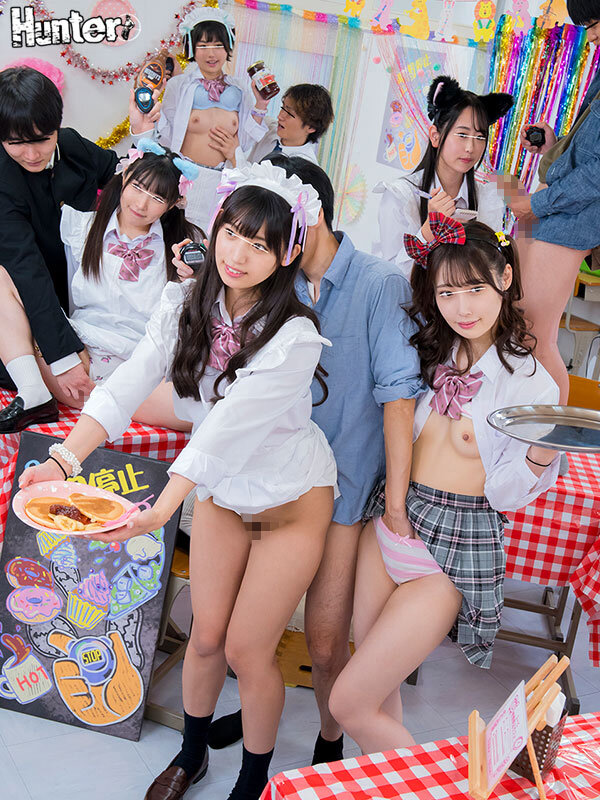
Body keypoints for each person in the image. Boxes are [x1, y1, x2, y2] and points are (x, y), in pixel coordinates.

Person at [20, 161, 337, 800]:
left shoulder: (296, 337)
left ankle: (253, 778)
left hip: (291, 499)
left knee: (248, 649)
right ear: (214, 227)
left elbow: (224, 430)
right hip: (222, 492)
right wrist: (62, 460)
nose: (238, 254)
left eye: (260, 244)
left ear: (286, 254)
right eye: (232, 233)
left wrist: (161, 508)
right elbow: (127, 384)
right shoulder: (183, 302)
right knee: (205, 636)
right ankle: (191, 757)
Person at [206, 156, 423, 766]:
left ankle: (329, 743)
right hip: (268, 481)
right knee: (247, 631)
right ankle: (255, 715)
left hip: (341, 492)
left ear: (312, 215)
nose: (259, 243)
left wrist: (396, 505)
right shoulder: (272, 280)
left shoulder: (380, 283)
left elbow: (399, 397)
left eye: (273, 228)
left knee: (326, 643)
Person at [328, 218, 560, 754]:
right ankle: (387, 784)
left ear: (505, 278)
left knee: (348, 703)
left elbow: (504, 498)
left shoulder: (531, 385)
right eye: (447, 292)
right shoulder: (427, 349)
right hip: (392, 520)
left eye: (475, 288)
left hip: (453, 547)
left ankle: (430, 787)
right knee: (378, 689)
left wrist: (541, 453)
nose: (462, 307)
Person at [0, 138, 202, 433]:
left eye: (157, 198)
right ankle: (35, 392)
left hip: (140, 370)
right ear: (124, 178)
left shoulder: (184, 244)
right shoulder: (80, 226)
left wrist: (192, 280)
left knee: (205, 413)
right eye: (137, 187)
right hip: (78, 364)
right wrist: (61, 355)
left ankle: (107, 403)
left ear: (173, 203)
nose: (141, 204)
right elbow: (31, 275)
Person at [0, 66, 117, 431]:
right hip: (28, 300)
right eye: (16, 143)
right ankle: (33, 392)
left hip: (90, 287)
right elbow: (25, 266)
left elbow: (122, 174)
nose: (31, 154)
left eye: (42, 139)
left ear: (57, 127)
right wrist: (62, 357)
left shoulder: (72, 145)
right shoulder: (2, 177)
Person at [506, 0, 600, 402]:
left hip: (569, 218)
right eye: (588, 26)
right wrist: (553, 145)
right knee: (518, 327)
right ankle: (527, 432)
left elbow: (597, 175)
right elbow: (589, 155)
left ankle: (549, 438)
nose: (591, 35)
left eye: (595, 24)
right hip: (552, 211)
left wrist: (536, 205)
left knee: (535, 337)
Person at [129, 5, 271, 232]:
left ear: (228, 47)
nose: (211, 54)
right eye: (203, 46)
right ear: (192, 48)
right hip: (184, 177)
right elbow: (166, 133)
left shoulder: (241, 88)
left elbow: (246, 141)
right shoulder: (178, 85)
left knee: (208, 238)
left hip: (220, 182)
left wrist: (261, 105)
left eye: (218, 45)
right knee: (172, 234)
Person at [374, 75, 513, 278]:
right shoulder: (401, 196)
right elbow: (391, 278)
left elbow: (491, 269)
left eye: (480, 137)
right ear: (435, 136)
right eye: (462, 135)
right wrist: (427, 232)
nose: (470, 147)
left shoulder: (487, 199)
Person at [237, 83, 334, 166]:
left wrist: (235, 158)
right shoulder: (270, 129)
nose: (280, 116)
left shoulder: (304, 167)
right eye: (283, 108)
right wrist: (261, 103)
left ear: (311, 127)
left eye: (289, 113)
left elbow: (254, 181)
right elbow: (250, 127)